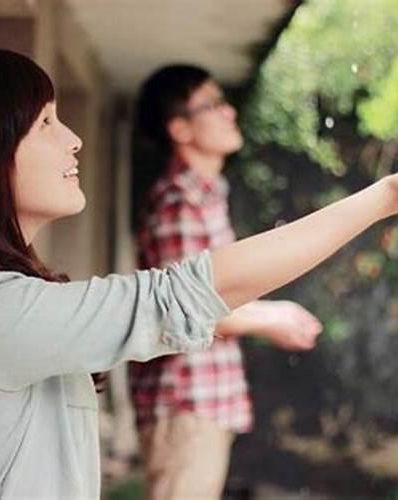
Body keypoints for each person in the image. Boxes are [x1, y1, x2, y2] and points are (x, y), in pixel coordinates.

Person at [0, 48, 398, 499]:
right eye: (47, 123)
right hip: (188, 405)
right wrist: (384, 199)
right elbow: (181, 294)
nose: (74, 139)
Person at [128, 64, 325, 500]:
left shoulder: (205, 197)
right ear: (179, 128)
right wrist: (271, 316)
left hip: (202, 403)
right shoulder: (179, 202)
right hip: (186, 404)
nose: (229, 113)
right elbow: (185, 307)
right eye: (212, 104)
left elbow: (209, 297)